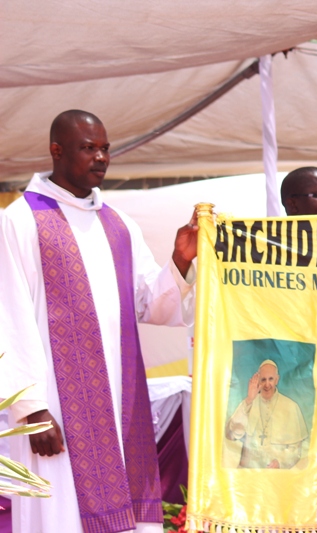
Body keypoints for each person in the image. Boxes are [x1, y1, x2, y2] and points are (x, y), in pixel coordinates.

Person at [0, 110, 198, 533]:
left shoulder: (119, 224)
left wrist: (181, 259)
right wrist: (30, 408)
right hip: (55, 403)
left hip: (122, 401)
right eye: (88, 148)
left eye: (105, 148)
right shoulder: (20, 221)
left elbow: (151, 304)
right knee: (60, 515)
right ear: (57, 150)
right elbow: (8, 315)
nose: (101, 157)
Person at [225, 360, 309, 469]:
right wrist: (249, 400)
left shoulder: (291, 406)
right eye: (263, 380)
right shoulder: (249, 403)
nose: (267, 384)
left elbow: (295, 450)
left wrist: (280, 462)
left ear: (277, 379)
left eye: (271, 379)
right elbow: (232, 435)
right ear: (258, 381)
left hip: (276, 475)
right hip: (248, 473)